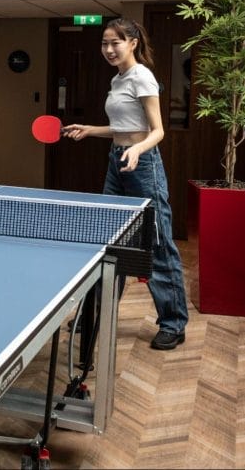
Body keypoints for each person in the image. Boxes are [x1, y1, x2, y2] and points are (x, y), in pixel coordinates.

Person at [64, 17, 189, 351]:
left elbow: (157, 131)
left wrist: (136, 148)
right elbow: (121, 127)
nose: (108, 49)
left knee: (158, 245)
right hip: (117, 164)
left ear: (133, 42)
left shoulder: (142, 76)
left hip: (143, 166)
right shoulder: (117, 79)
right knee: (110, 244)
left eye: (115, 42)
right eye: (104, 43)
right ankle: (96, 317)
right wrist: (91, 129)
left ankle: (173, 324)